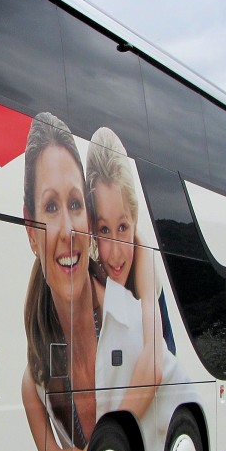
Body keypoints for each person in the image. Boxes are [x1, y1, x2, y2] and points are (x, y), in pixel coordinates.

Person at [19, 113, 104, 451]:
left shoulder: (128, 316)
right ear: (30, 230)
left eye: (75, 204)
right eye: (51, 207)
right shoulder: (38, 380)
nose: (68, 228)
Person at [85, 127, 165, 423]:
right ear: (92, 228)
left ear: (135, 221)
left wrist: (110, 436)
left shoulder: (143, 259)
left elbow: (155, 365)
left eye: (123, 228)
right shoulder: (87, 272)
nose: (117, 254)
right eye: (104, 231)